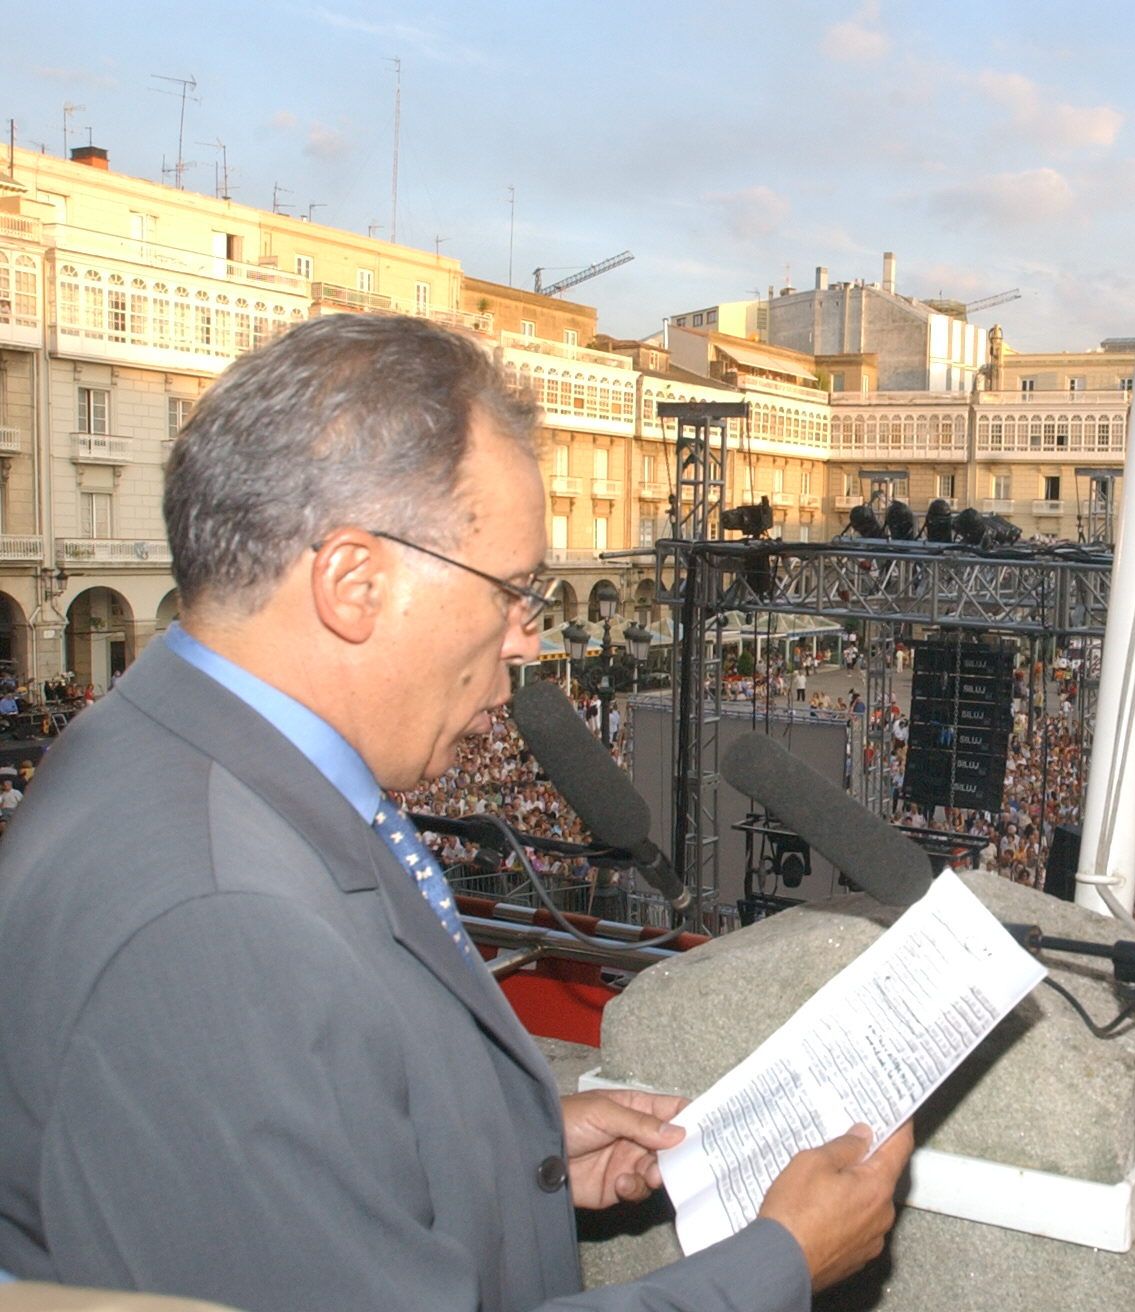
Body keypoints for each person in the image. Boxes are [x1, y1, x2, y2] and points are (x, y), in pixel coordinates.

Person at [0, 315, 911, 1311]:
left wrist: (517, 1150)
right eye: (510, 593)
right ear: (355, 582)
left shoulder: (161, 746)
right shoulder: (221, 920)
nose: (525, 644)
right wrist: (777, 1261)